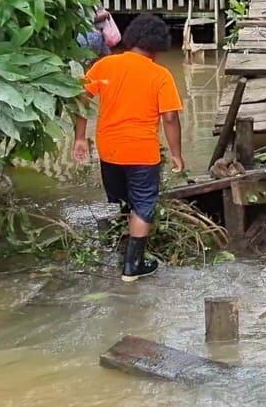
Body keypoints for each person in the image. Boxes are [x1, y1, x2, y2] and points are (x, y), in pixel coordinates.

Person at [73, 14, 186, 282]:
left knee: (126, 200)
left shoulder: (105, 65)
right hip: (142, 152)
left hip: (109, 149)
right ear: (158, 47)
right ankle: (133, 266)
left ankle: (125, 243)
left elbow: (80, 100)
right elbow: (170, 117)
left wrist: (79, 138)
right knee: (143, 205)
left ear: (132, 37)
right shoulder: (161, 75)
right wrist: (177, 154)